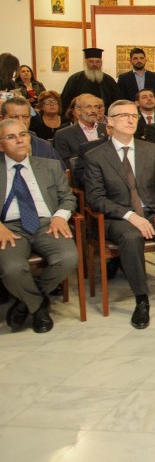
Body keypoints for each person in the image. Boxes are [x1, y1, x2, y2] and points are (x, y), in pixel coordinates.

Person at [83, 100, 155, 329]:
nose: (131, 119)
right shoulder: (95, 156)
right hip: (119, 218)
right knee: (131, 237)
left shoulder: (150, 150)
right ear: (109, 121)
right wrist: (130, 216)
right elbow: (96, 198)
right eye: (124, 115)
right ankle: (141, 300)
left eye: (134, 115)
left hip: (152, 212)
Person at [0, 119, 78, 334]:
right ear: (1, 145)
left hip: (47, 224)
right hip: (10, 228)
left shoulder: (50, 166)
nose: (19, 140)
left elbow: (68, 198)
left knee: (68, 258)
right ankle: (38, 307)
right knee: (12, 269)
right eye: (11, 137)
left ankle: (25, 302)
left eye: (22, 135)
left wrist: (60, 217)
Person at [2, 97, 65, 168]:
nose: (21, 121)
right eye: (14, 117)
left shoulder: (44, 147)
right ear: (2, 119)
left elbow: (61, 172)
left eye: (25, 116)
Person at [60, 48, 121, 112]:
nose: (94, 64)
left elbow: (116, 101)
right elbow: (65, 101)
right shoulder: (75, 79)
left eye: (97, 62)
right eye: (91, 61)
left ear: (101, 63)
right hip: (81, 116)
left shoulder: (109, 80)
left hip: (104, 116)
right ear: (85, 62)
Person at [53, 94, 108, 161]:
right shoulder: (63, 134)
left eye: (96, 107)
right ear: (78, 110)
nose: (93, 110)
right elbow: (63, 163)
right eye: (88, 107)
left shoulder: (108, 129)